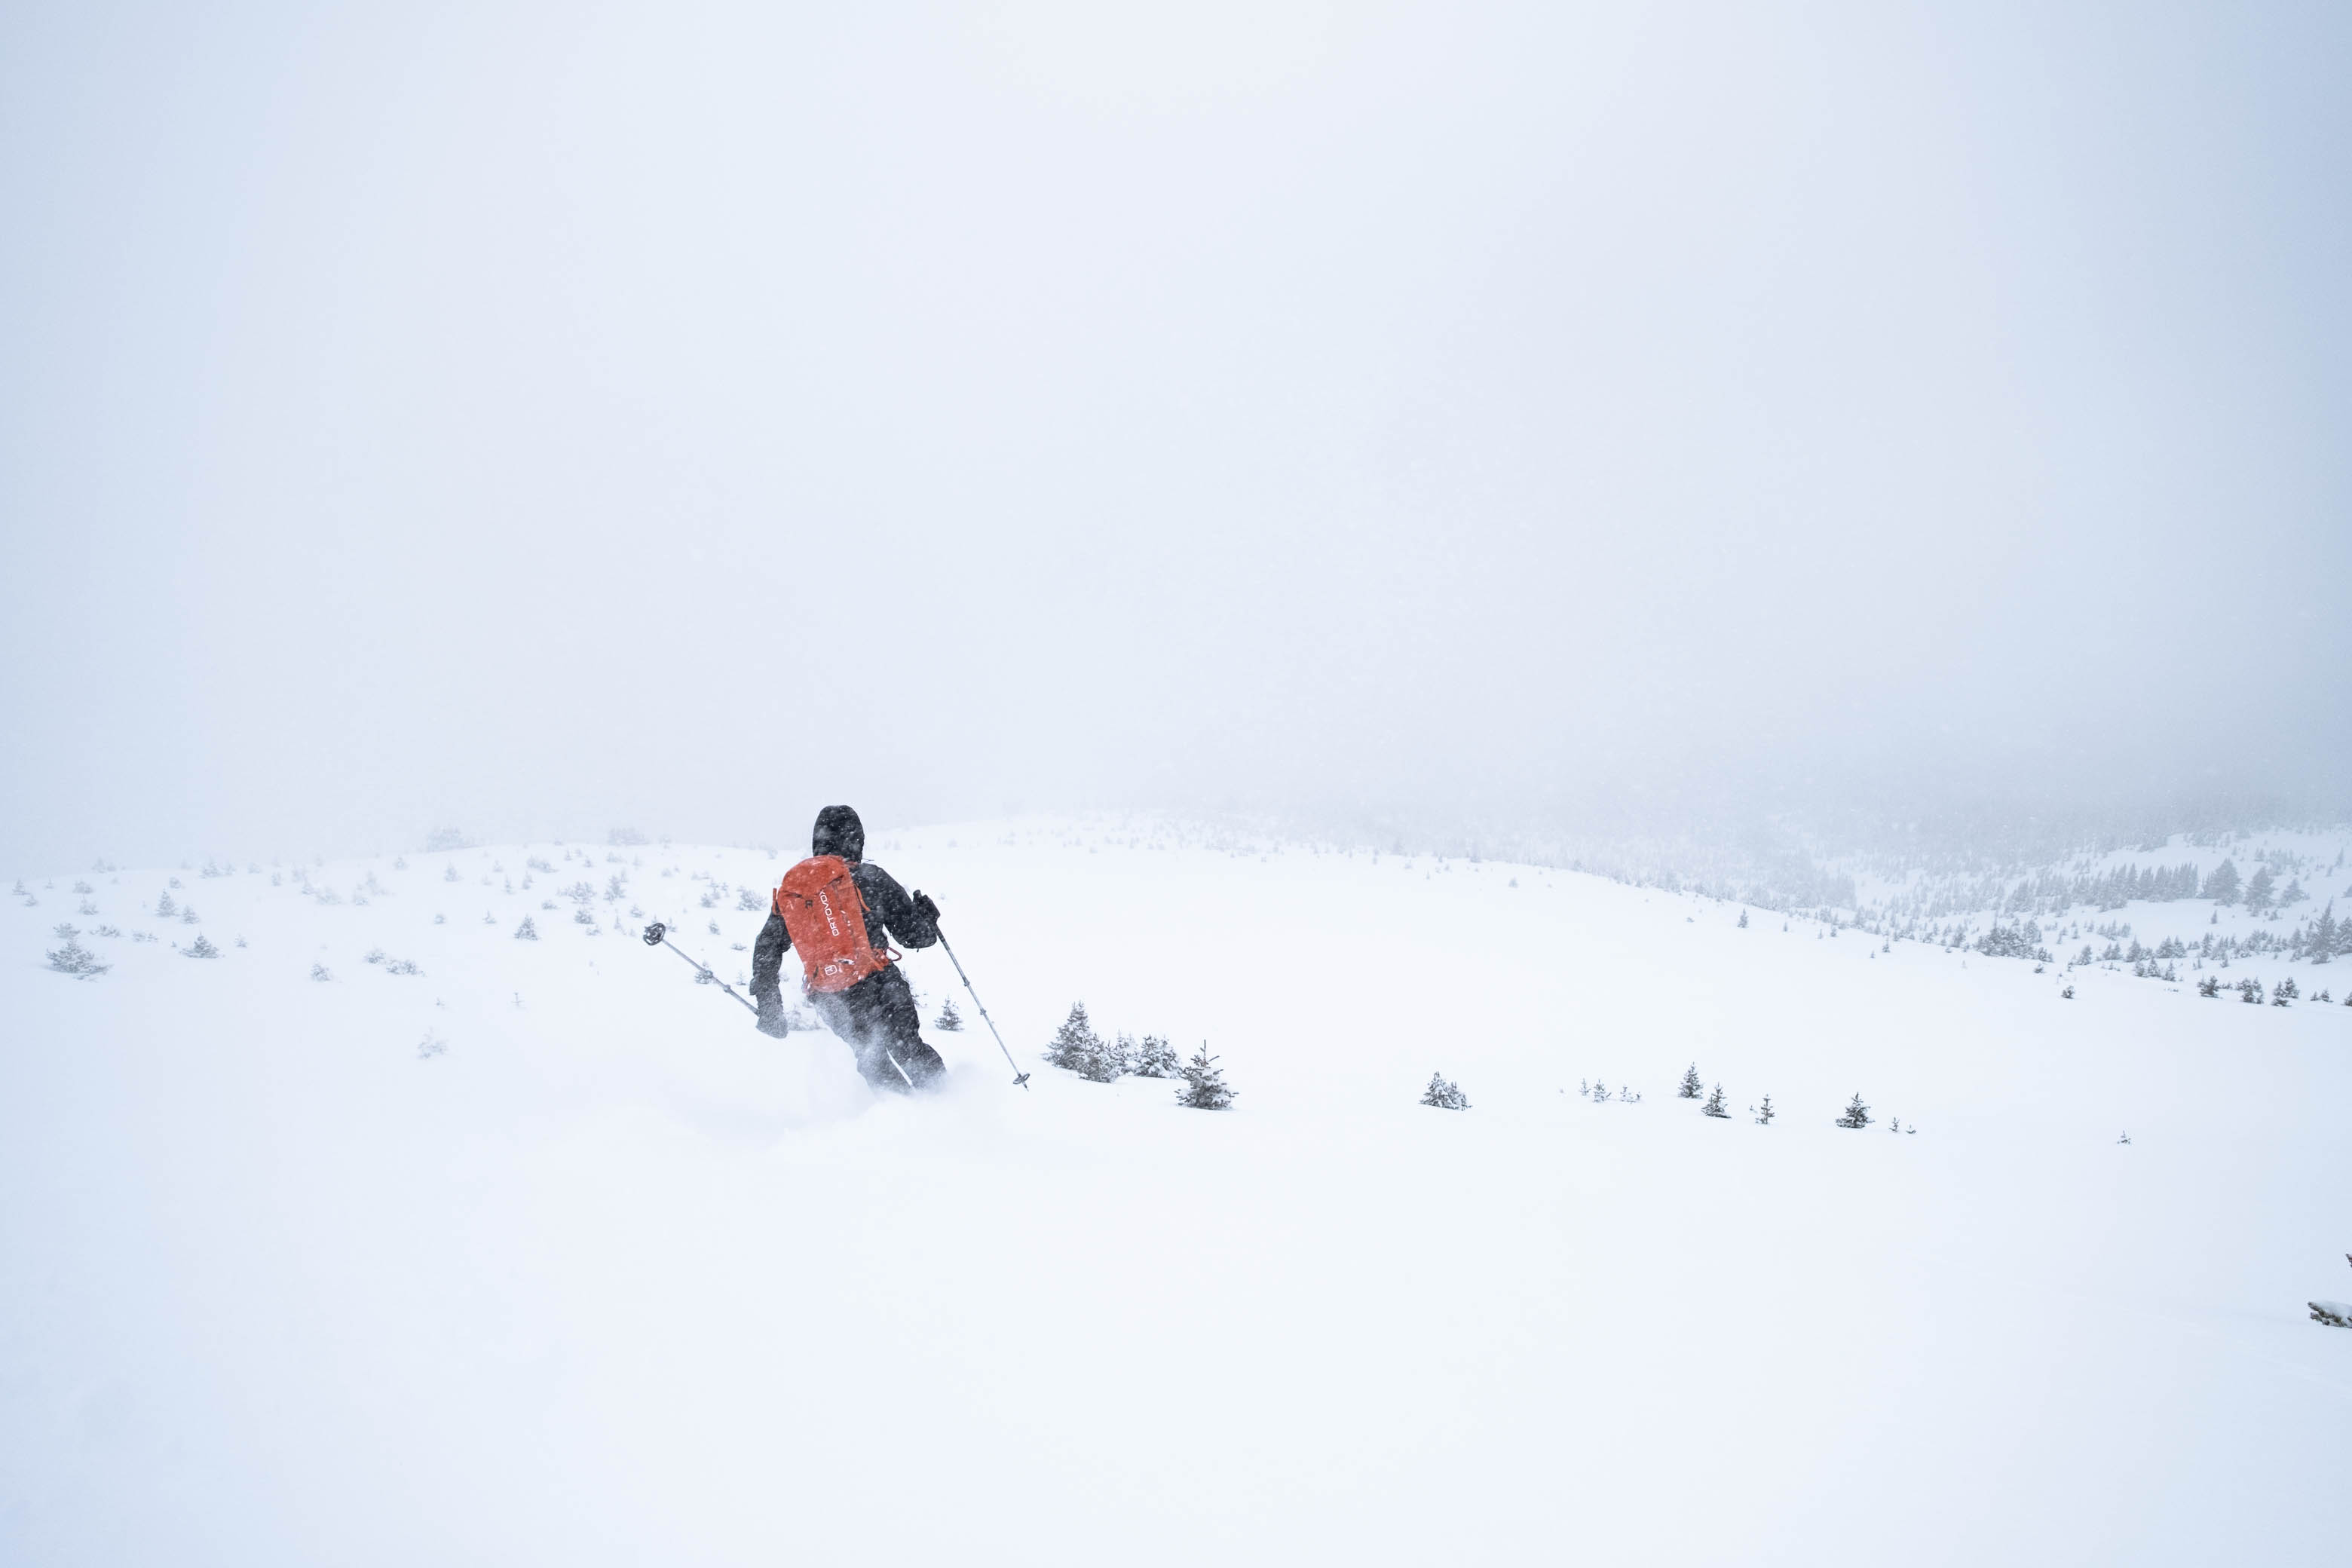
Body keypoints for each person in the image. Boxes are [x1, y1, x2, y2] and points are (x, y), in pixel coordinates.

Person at [752, 804, 948, 1092]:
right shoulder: (871, 877)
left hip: (832, 998)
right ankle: (946, 1102)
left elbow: (766, 948)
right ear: (857, 840)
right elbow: (915, 937)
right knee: (908, 1048)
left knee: (871, 1058)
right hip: (881, 983)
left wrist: (769, 1005)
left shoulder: (797, 889)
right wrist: (928, 918)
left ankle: (898, 1112)